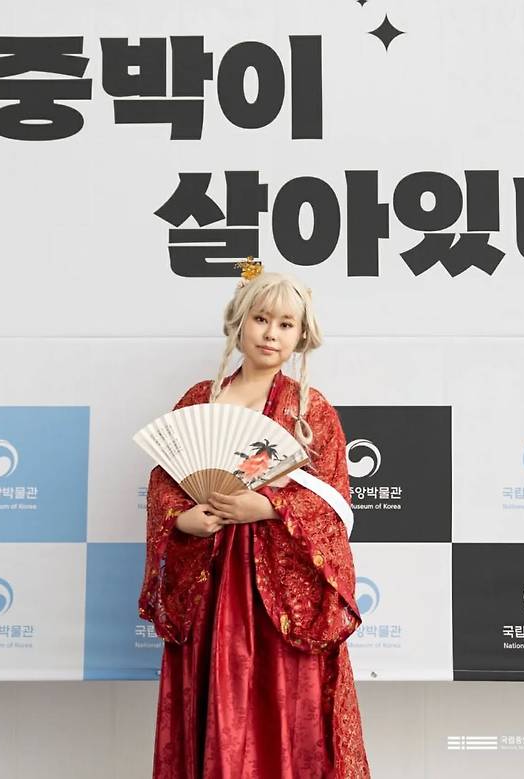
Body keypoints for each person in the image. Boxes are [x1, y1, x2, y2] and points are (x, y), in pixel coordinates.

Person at [138, 260, 371, 778]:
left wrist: (265, 506)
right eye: (261, 319)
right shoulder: (201, 399)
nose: (271, 334)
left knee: (283, 701)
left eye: (286, 324)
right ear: (239, 322)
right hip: (211, 579)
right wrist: (182, 520)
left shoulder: (310, 411)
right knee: (215, 695)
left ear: (301, 335)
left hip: (277, 592)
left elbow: (333, 505)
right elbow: (164, 480)